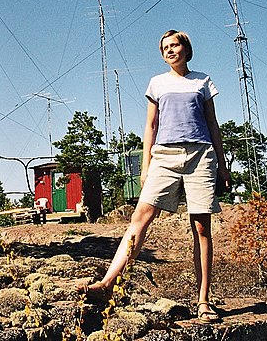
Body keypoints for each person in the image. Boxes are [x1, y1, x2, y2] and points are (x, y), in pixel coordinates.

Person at [77, 30, 231, 323]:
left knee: (201, 228)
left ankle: (203, 300)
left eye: (175, 45)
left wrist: (222, 166)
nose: (170, 51)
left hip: (200, 155)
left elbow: (212, 123)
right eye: (165, 48)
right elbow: (150, 126)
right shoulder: (156, 83)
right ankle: (107, 284)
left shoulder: (203, 81)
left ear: (186, 48)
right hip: (164, 156)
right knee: (140, 218)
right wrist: (146, 165)